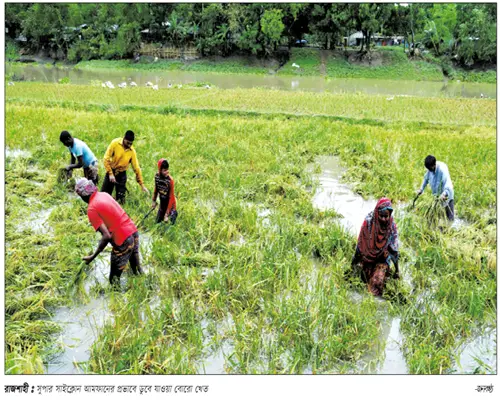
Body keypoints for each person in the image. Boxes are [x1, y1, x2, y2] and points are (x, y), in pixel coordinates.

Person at [75, 178, 143, 286]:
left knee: (114, 281)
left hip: (123, 241)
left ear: (83, 195)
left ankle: (117, 301)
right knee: (136, 270)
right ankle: (143, 287)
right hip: (133, 232)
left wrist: (93, 256)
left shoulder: (91, 208)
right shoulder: (104, 194)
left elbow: (106, 236)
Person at [351, 197, 399, 296]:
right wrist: (352, 265)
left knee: (377, 283)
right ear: (377, 213)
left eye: (386, 216)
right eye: (381, 216)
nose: (384, 219)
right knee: (362, 278)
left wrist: (397, 271)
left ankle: (373, 304)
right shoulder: (368, 223)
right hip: (367, 258)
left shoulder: (391, 226)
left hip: (382, 259)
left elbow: (394, 250)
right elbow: (360, 245)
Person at [101, 130, 149, 204]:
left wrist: (142, 185)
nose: (129, 145)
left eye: (131, 143)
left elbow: (136, 168)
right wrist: (110, 174)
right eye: (128, 143)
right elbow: (106, 158)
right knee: (104, 195)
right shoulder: (115, 143)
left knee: (121, 199)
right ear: (124, 138)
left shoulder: (132, 151)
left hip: (121, 175)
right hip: (111, 170)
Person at [416, 155, 454, 221]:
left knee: (449, 218)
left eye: (430, 168)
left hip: (447, 197)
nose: (429, 170)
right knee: (438, 218)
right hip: (437, 197)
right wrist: (421, 189)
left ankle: (450, 229)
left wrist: (444, 193)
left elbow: (448, 183)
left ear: (434, 164)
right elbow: (426, 179)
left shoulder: (442, 169)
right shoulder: (430, 169)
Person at [151, 158, 177, 224]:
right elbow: (156, 189)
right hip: (162, 203)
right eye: (164, 170)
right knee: (157, 222)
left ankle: (173, 214)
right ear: (160, 170)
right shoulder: (157, 177)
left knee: (170, 223)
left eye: (167, 170)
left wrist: (167, 213)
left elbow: (171, 197)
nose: (167, 172)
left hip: (170, 203)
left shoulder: (170, 180)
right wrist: (154, 201)